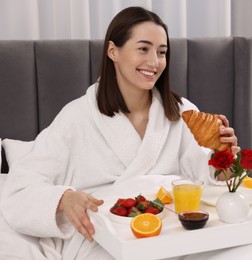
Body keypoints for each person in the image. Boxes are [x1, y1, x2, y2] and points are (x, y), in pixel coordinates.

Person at [0, 6, 239, 259]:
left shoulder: (182, 113)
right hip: (103, 237)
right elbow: (21, 188)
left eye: (162, 52)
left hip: (175, 230)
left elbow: (202, 173)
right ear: (113, 51)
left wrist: (223, 160)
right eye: (143, 49)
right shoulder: (76, 117)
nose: (154, 62)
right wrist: (64, 199)